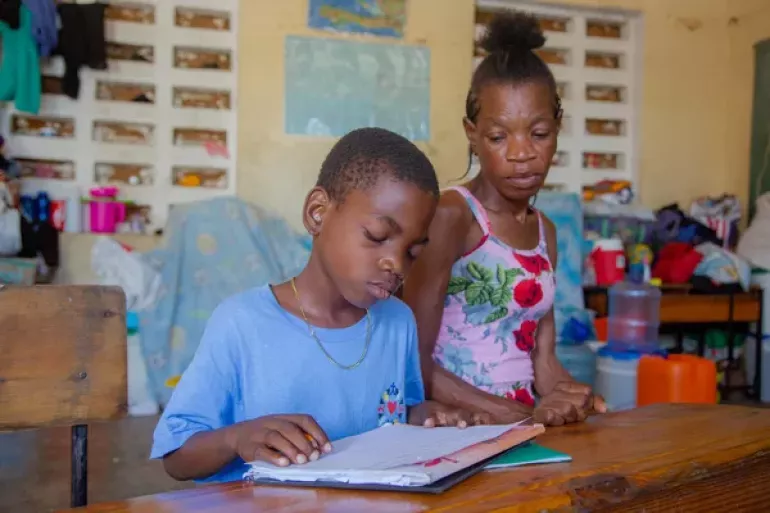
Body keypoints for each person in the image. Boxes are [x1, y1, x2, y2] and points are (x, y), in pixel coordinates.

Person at [151, 127, 483, 484]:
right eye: (377, 236)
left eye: (413, 251)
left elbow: (400, 414)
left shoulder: (398, 321)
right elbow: (176, 457)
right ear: (317, 212)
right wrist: (237, 438)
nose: (396, 263)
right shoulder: (241, 323)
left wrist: (429, 417)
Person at [403, 11, 606, 427]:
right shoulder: (453, 216)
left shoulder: (545, 231)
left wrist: (575, 399)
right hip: (456, 428)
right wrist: (515, 415)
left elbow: (543, 363)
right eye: (499, 137)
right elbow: (410, 360)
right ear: (472, 134)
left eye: (539, 133)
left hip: (520, 429)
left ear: (557, 128)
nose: (521, 153)